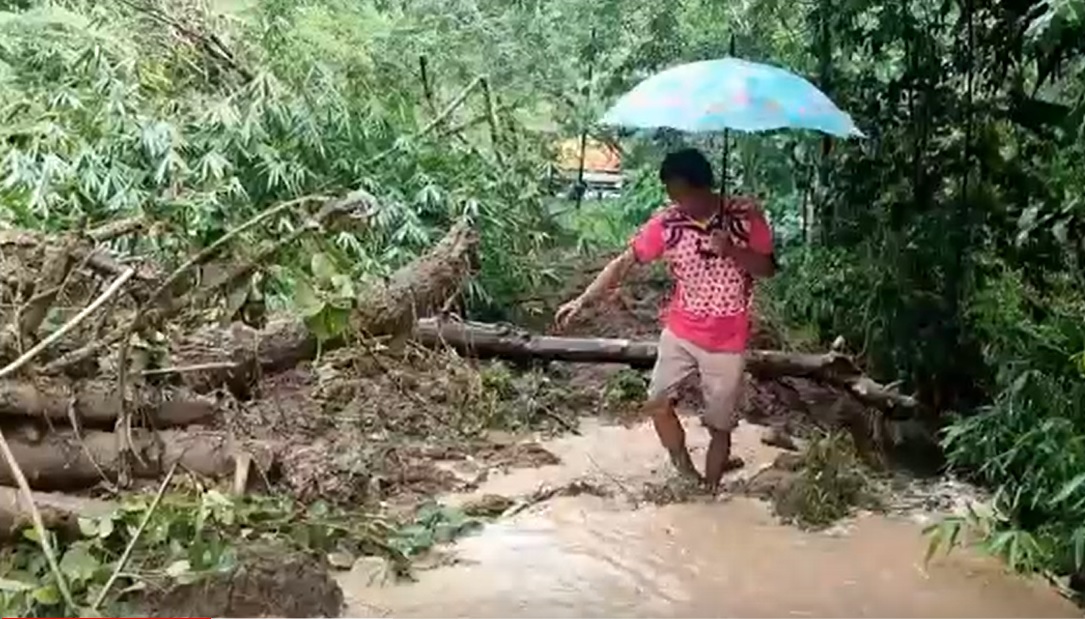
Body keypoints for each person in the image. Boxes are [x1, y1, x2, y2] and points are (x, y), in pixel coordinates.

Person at [554, 148, 776, 492]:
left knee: (720, 425)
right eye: (671, 195)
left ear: (702, 186)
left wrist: (732, 249)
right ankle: (686, 473)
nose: (675, 201)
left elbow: (767, 268)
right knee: (657, 402)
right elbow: (624, 262)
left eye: (680, 193)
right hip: (681, 332)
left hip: (728, 339)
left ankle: (710, 492)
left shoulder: (745, 216)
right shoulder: (668, 224)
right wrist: (583, 300)